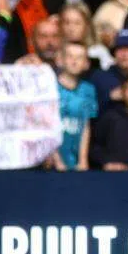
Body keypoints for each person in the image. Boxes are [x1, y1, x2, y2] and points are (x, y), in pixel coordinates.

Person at [53, 41, 97, 171]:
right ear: (60, 60)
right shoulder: (50, 87)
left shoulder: (88, 90)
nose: (74, 61)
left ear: (86, 64)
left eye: (79, 57)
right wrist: (56, 160)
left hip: (76, 161)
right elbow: (44, 126)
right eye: (70, 56)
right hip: (52, 161)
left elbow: (85, 126)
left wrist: (83, 160)